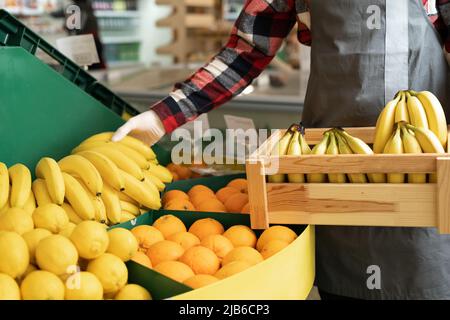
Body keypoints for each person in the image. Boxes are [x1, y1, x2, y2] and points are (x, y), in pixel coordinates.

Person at [113, 0, 450, 299]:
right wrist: (163, 116)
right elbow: (246, 52)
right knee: (346, 281)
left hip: (432, 164)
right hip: (327, 170)